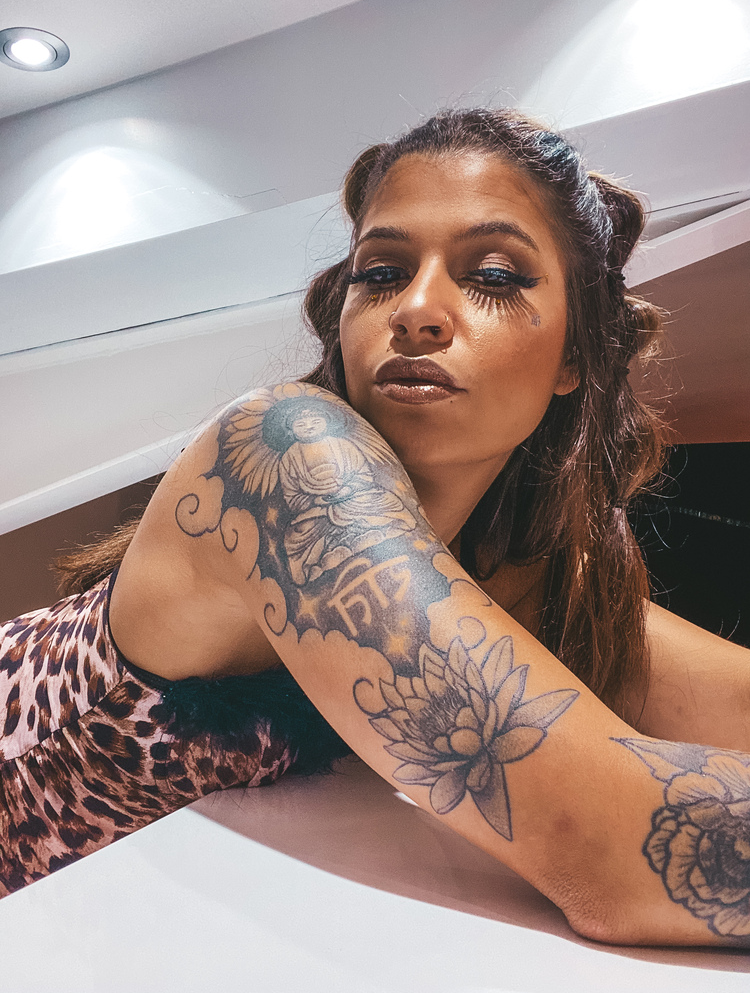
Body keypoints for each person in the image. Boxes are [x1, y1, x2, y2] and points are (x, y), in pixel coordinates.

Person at [2, 108, 749, 946]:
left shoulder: (500, 569)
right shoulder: (282, 456)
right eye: (383, 272)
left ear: (575, 354)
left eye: (493, 275)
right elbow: (619, 852)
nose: (418, 310)